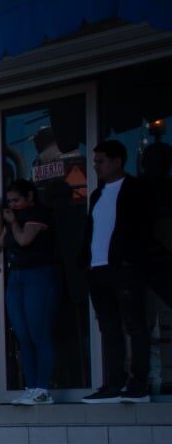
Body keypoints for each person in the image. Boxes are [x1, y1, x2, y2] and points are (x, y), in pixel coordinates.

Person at [84, 139, 155, 404]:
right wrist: (87, 262)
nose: (96, 166)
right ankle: (114, 383)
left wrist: (129, 260)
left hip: (124, 269)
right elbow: (93, 230)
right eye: (95, 161)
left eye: (100, 161)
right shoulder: (97, 194)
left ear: (117, 161)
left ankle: (139, 384)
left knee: (134, 325)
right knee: (109, 328)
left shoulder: (135, 189)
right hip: (97, 268)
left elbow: (142, 229)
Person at [0, 179, 58, 405]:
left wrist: (13, 221)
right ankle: (31, 386)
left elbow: (23, 239)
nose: (14, 205)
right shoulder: (14, 218)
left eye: (17, 200)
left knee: (39, 331)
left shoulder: (38, 214)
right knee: (23, 334)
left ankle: (43, 387)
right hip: (16, 276)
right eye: (10, 201)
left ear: (29, 196)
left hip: (38, 274)